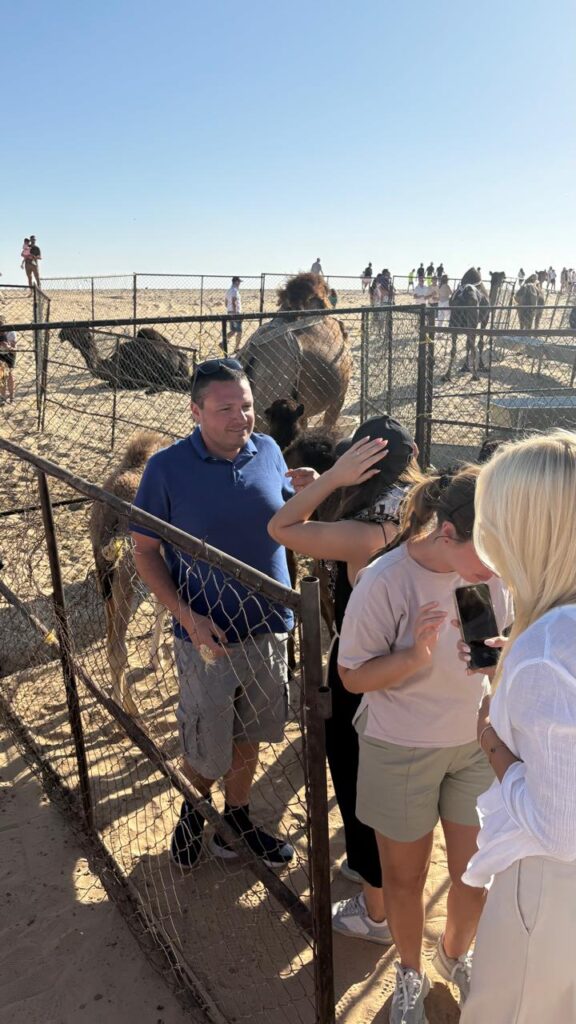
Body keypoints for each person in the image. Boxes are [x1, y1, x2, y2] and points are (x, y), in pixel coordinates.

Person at [337, 466, 512, 1023]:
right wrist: (414, 656)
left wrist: (502, 660)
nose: (493, 570)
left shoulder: (495, 574)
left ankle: (454, 954)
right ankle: (409, 971)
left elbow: (500, 659)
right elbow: (351, 677)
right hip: (400, 745)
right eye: (483, 554)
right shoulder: (385, 580)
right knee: (406, 879)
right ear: (447, 534)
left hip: (474, 743)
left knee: (474, 876)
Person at [131, 357, 296, 870]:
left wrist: (307, 487)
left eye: (245, 406)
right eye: (225, 408)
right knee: (207, 742)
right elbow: (143, 550)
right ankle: (192, 812)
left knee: (252, 732)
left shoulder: (268, 450)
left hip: (269, 628)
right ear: (196, 410)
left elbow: (283, 516)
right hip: (208, 635)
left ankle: (237, 821)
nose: (240, 418)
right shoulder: (166, 468)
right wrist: (185, 614)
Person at [269, 416, 417, 944]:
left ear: (358, 465)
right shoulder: (420, 511)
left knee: (357, 778)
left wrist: (331, 481)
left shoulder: (364, 537)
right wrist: (333, 485)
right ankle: (397, 879)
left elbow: (282, 529)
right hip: (414, 670)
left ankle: (376, 911)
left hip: (361, 671)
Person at [460, 430, 576, 1022]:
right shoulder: (553, 637)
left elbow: (560, 828)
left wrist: (495, 746)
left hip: (550, 891)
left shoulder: (546, 652)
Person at [0, 318, 17, 403]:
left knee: (9, 374)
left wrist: (8, 346)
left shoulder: (11, 331)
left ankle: (12, 396)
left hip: (10, 354)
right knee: (1, 374)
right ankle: (3, 397)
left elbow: (14, 350)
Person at [224, 276, 243, 352]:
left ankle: (223, 342)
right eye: (239, 282)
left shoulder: (228, 291)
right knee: (239, 331)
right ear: (236, 282)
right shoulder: (234, 291)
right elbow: (233, 301)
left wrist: (230, 310)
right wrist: (235, 313)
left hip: (230, 312)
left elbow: (226, 303)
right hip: (235, 313)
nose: (239, 284)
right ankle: (236, 348)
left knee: (234, 330)